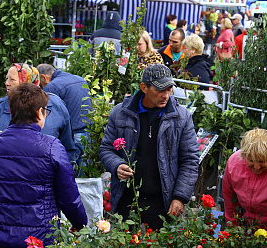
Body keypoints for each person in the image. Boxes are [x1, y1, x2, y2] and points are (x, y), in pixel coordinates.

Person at [0, 83, 87, 248]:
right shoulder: (51, 146)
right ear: (39, 112)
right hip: (39, 241)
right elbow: (69, 196)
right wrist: (80, 224)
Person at [99, 63, 199, 230]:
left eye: (169, 89)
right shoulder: (120, 113)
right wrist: (117, 165)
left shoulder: (181, 118)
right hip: (127, 197)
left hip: (163, 200)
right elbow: (106, 149)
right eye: (160, 90)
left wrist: (180, 197)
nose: (165, 95)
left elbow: (190, 160)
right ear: (144, 87)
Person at [0, 63, 76, 163]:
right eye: (7, 78)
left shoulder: (56, 105)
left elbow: (67, 146)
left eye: (12, 79)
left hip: (45, 171)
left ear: (27, 82)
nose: (6, 83)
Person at [37, 64, 91, 168]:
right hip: (88, 134)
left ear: (43, 77)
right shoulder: (80, 79)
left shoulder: (52, 87)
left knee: (70, 173)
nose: (41, 86)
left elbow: (50, 117)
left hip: (72, 137)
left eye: (41, 83)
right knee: (84, 175)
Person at [223, 128, 267, 229]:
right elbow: (230, 203)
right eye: (251, 160)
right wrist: (234, 231)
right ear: (244, 154)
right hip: (245, 226)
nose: (256, 167)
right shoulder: (234, 165)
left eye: (262, 161)